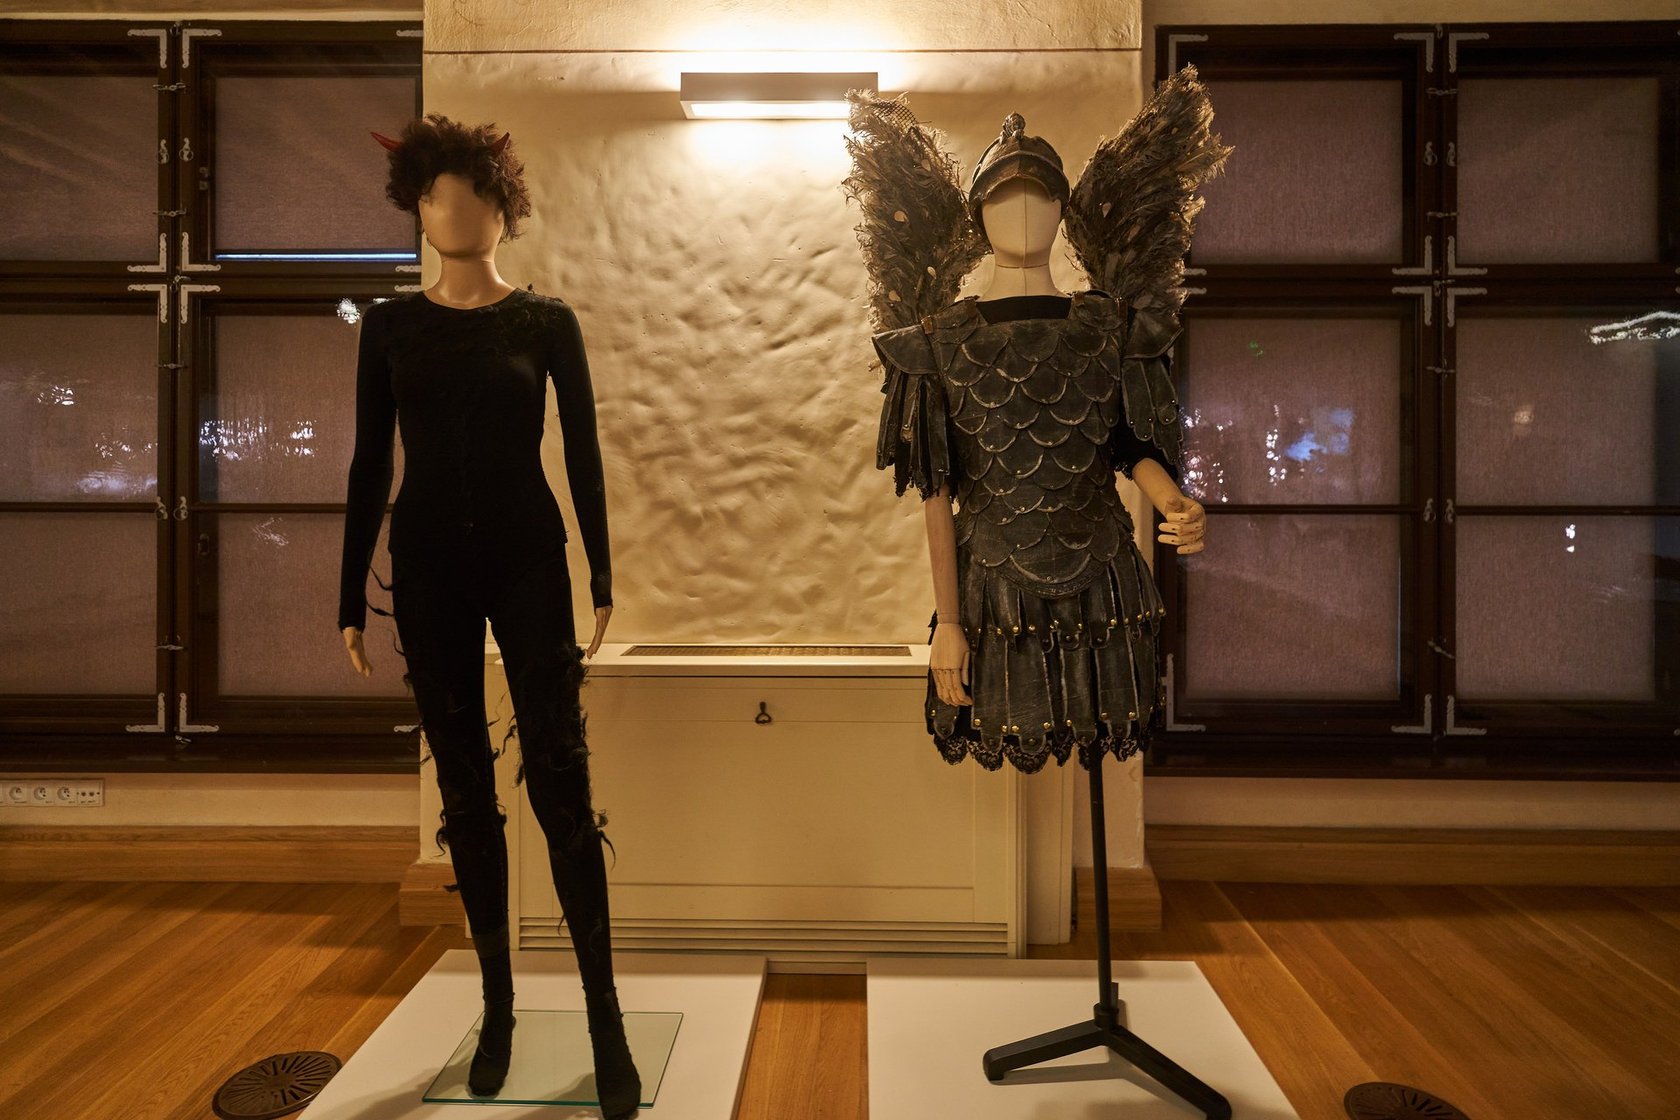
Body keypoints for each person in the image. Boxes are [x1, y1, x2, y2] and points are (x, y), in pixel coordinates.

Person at [337, 114, 639, 1117]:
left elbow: (582, 451)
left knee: (560, 781)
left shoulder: (544, 323)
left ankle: (604, 1019)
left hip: (526, 560)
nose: (455, 210)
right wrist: (348, 594)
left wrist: (602, 573)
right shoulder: (390, 329)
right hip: (427, 565)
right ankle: (499, 1008)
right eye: (436, 195)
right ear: (418, 210)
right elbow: (370, 462)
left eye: (473, 194)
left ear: (504, 209)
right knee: (465, 794)